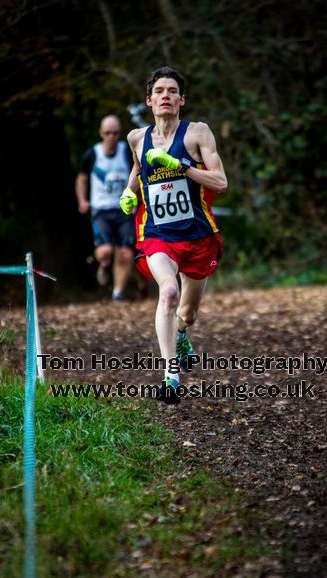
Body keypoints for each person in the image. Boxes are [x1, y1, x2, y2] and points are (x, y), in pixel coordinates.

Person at [120, 66, 227, 403]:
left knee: (188, 312)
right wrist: (129, 191)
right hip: (157, 234)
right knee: (167, 292)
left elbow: (221, 183)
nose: (165, 96)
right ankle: (170, 375)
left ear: (182, 99)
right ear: (149, 101)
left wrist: (181, 166)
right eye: (159, 91)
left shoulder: (197, 133)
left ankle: (182, 333)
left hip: (196, 234)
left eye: (172, 91)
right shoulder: (137, 137)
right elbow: (139, 169)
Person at [75, 114, 141, 301]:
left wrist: (137, 197)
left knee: (126, 254)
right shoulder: (92, 154)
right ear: (100, 133)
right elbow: (81, 179)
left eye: (115, 133)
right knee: (105, 251)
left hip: (125, 209)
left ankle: (117, 293)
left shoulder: (126, 152)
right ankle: (104, 265)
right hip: (101, 210)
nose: (111, 136)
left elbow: (137, 173)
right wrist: (82, 200)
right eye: (107, 133)